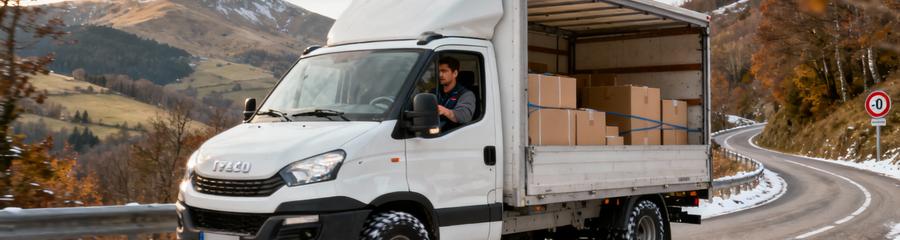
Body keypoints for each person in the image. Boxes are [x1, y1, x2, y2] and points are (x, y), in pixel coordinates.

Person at [436, 56, 476, 131]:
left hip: (454, 135)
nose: (440, 74)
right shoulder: (434, 92)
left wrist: (444, 111)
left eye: (444, 71)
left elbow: (464, 116)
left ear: (455, 73)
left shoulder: (466, 94)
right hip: (433, 134)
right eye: (438, 71)